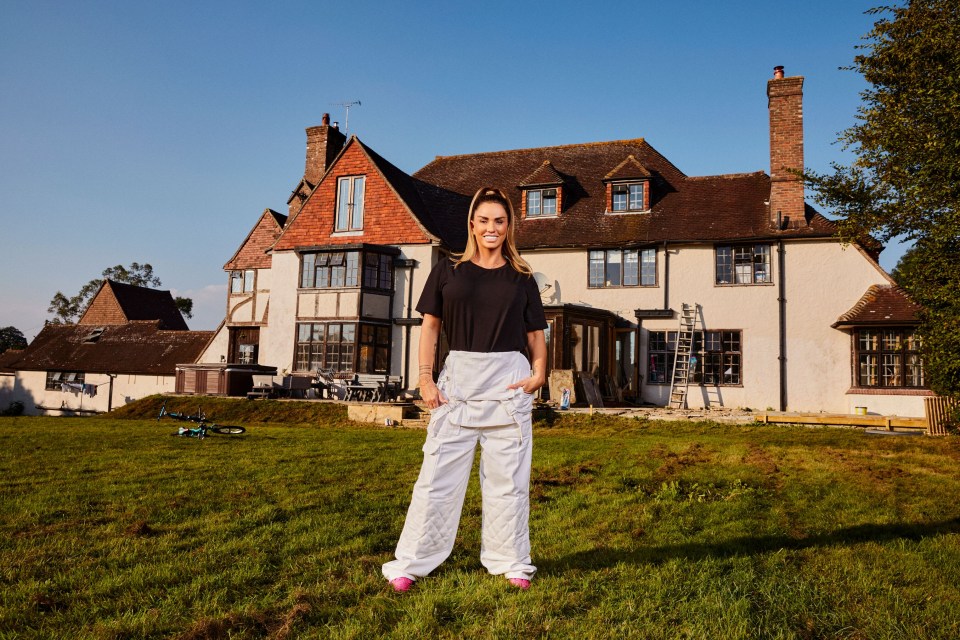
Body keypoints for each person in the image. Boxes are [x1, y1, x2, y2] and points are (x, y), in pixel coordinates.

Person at [382, 186, 547, 593]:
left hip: (508, 382)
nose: (492, 228)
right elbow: (431, 328)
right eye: (485, 220)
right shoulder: (447, 271)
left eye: (500, 221)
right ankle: (412, 563)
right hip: (458, 382)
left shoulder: (522, 277)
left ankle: (510, 561)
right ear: (472, 224)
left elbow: (535, 334)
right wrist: (424, 377)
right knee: (436, 477)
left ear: (509, 227)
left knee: (508, 481)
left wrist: (540, 373)